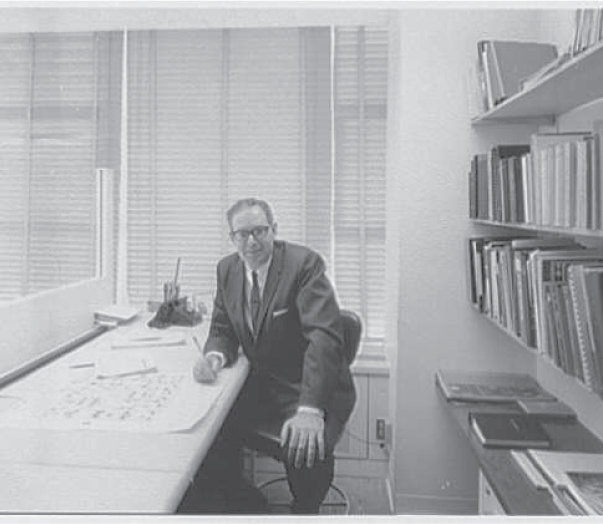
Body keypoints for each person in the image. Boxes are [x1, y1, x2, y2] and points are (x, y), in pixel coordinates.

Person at [192, 197, 356, 514]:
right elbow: (222, 328)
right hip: (264, 383)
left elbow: (323, 338)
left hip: (308, 384)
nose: (251, 241)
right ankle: (245, 502)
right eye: (242, 234)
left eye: (259, 231)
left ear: (274, 230)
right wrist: (214, 357)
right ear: (232, 237)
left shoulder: (303, 265)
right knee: (209, 432)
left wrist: (310, 409)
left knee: (305, 444)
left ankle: (305, 510)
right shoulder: (227, 270)